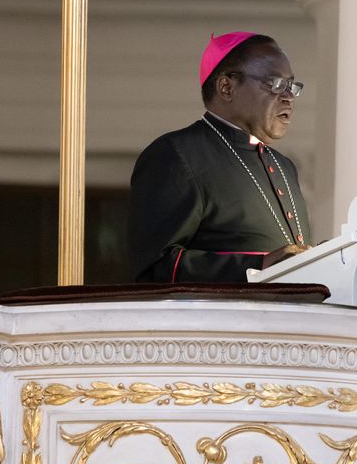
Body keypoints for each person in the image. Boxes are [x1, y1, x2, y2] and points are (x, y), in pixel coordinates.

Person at [128, 32, 311, 283]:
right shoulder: (176, 154)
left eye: (291, 86)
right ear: (226, 87)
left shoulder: (285, 167)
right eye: (277, 84)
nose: (288, 97)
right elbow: (156, 268)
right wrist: (258, 266)